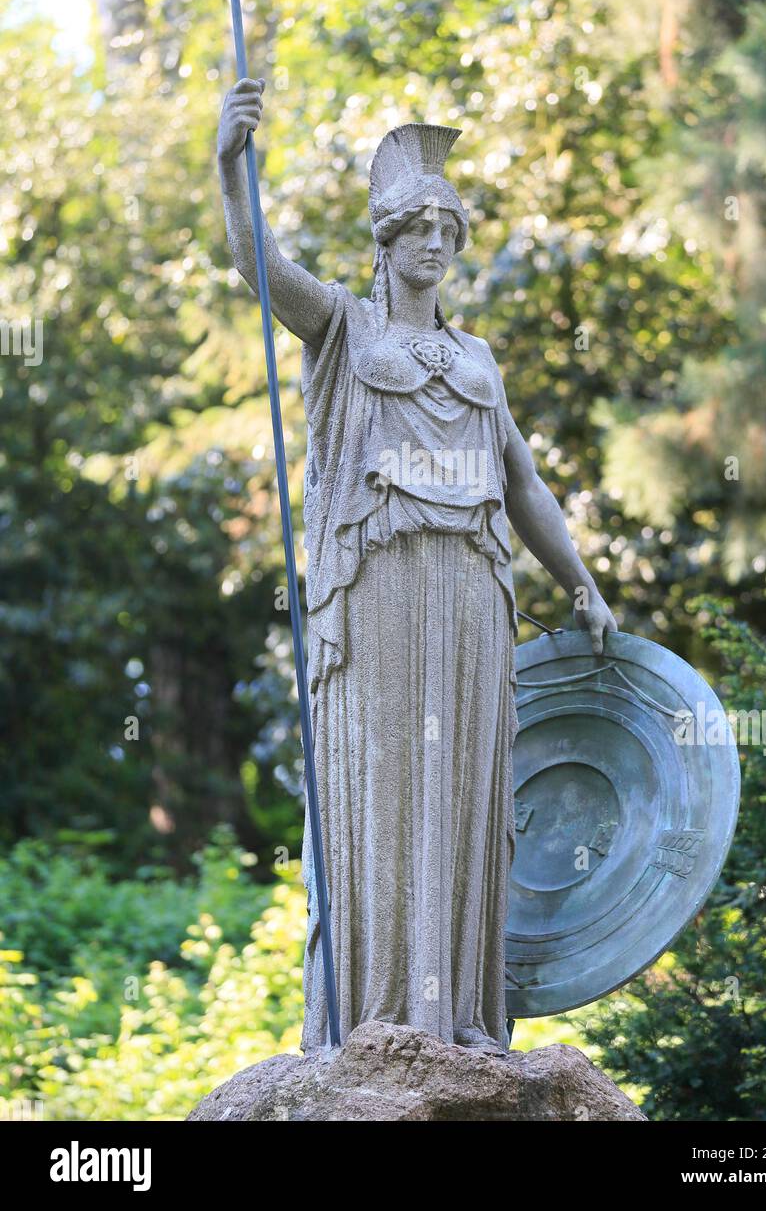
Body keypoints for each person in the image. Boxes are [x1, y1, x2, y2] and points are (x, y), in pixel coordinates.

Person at [218, 79, 617, 1051]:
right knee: (388, 787)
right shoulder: (345, 328)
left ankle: (461, 1022)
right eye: (415, 225)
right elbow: (260, 266)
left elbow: (521, 484)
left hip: (474, 596)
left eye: (447, 226)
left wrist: (581, 586)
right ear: (385, 240)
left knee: (467, 794)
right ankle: (378, 1020)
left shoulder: (478, 361)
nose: (433, 240)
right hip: (382, 591)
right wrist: (231, 167)